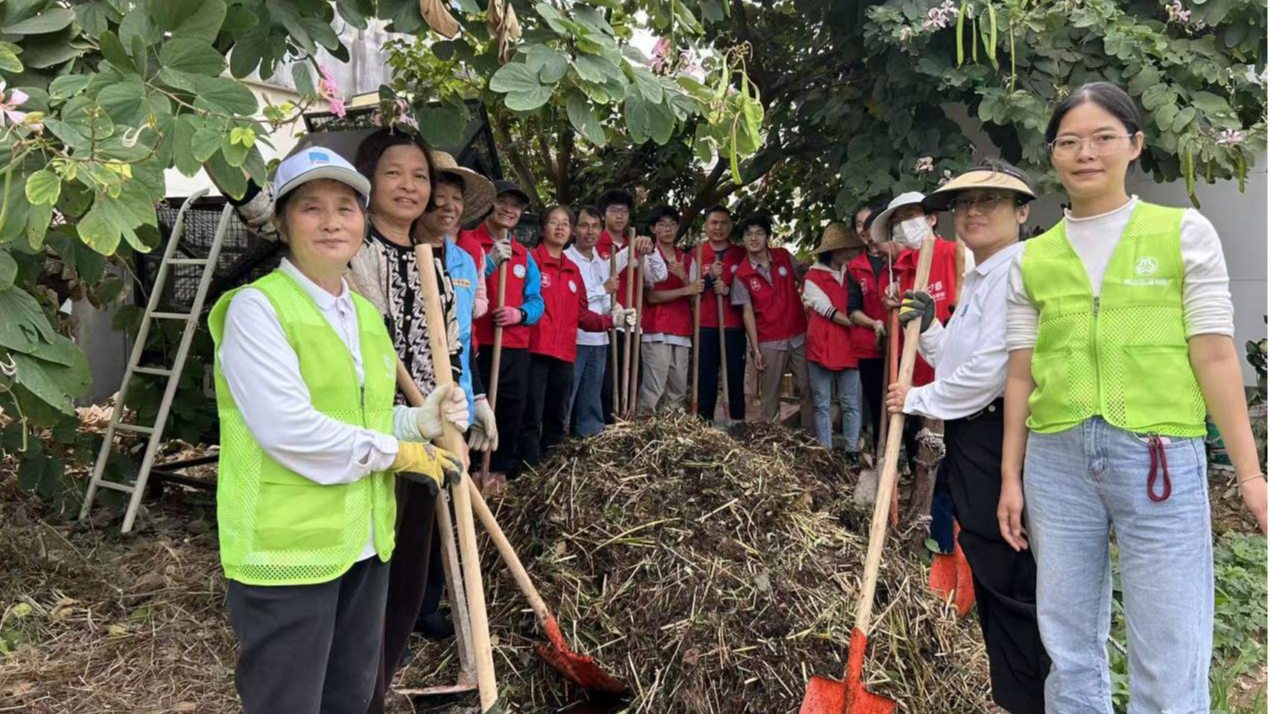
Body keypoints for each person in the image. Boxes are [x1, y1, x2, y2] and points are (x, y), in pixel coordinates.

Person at [997, 82, 1267, 713]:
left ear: (1134, 146)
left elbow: (1216, 355)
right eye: (1069, 141)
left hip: (1159, 458)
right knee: (1067, 645)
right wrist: (1011, 476)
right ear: (1053, 154)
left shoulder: (1183, 233)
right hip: (1056, 461)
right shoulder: (1029, 259)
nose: (1085, 153)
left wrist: (1251, 475)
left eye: (1102, 138)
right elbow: (1019, 373)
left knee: (1171, 650)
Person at [208, 150, 465, 714]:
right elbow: (289, 430)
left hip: (364, 546)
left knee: (350, 698)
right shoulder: (258, 310)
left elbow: (365, 417)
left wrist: (420, 422)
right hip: (288, 554)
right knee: (289, 703)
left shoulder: (363, 316)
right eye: (311, 208)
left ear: (362, 221)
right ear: (282, 222)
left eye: (346, 209)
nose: (331, 223)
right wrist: (398, 452)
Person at [885, 159, 1049, 714]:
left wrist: (917, 401)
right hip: (974, 435)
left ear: (1023, 212)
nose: (972, 212)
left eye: (989, 202)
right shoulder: (982, 274)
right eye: (963, 203)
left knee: (1011, 575)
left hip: (1003, 432)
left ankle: (1036, 696)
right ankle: (1017, 695)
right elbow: (958, 357)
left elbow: (992, 370)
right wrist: (929, 327)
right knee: (991, 566)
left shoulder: (1019, 269)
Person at [391, 151, 496, 663]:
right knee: (404, 507)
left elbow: (464, 341)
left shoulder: (465, 260)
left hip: (451, 400)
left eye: (458, 200)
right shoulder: (398, 250)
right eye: (442, 197)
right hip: (403, 401)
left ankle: (429, 604)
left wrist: (475, 399)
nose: (450, 206)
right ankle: (396, 617)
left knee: (442, 508)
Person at [869, 192, 963, 515]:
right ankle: (925, 524)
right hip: (916, 376)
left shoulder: (956, 255)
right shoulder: (901, 269)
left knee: (953, 460)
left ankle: (950, 528)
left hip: (954, 379)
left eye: (909, 216)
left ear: (931, 219)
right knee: (923, 457)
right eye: (896, 222)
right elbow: (903, 327)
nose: (902, 226)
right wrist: (892, 308)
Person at [521, 206, 636, 469]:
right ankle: (528, 468)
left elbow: (582, 315)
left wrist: (613, 319)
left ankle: (552, 468)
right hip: (536, 350)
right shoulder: (532, 262)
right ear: (542, 228)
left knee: (557, 413)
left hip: (564, 353)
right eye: (553, 222)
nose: (560, 227)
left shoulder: (572, 270)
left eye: (565, 223)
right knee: (532, 413)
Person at [458, 180, 544, 492]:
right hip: (478, 344)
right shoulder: (468, 242)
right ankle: (467, 470)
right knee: (474, 408)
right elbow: (462, 285)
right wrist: (490, 263)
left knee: (510, 408)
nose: (510, 210)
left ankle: (497, 471)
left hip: (514, 346)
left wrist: (518, 314)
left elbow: (536, 302)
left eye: (517, 205)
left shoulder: (525, 255)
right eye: (503, 202)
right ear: (489, 205)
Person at [731, 215, 813, 432]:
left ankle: (811, 439)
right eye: (748, 234)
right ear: (742, 240)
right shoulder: (742, 274)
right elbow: (747, 313)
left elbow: (806, 279)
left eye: (759, 233)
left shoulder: (783, 256)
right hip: (769, 340)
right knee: (770, 395)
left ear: (767, 236)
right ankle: (771, 444)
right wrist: (756, 349)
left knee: (807, 388)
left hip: (798, 334)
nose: (753, 238)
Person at [802, 223, 864, 463]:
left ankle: (851, 450)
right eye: (843, 249)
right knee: (822, 403)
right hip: (822, 344)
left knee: (851, 402)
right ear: (831, 252)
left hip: (849, 346)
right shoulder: (812, 277)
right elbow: (826, 310)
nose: (848, 253)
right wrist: (858, 324)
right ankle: (825, 452)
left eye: (850, 248)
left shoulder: (853, 274)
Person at [639, 205, 703, 414]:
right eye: (662, 225)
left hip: (682, 330)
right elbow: (652, 296)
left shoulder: (688, 260)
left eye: (672, 224)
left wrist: (684, 276)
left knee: (677, 393)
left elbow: (695, 297)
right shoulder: (648, 256)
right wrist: (686, 288)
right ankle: (641, 431)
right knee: (653, 390)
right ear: (653, 229)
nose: (668, 229)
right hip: (656, 329)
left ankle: (671, 437)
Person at [693, 205, 748, 422]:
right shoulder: (696, 253)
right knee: (705, 379)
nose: (719, 227)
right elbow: (689, 290)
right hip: (705, 325)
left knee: (734, 378)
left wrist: (729, 290)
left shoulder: (741, 254)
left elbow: (750, 289)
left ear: (731, 226)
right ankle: (703, 428)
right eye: (714, 223)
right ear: (706, 226)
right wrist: (708, 279)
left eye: (724, 223)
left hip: (733, 326)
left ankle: (737, 425)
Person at [847, 204, 892, 443]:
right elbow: (852, 311)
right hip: (869, 347)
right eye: (859, 224)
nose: (866, 229)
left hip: (900, 345)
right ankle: (880, 455)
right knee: (876, 405)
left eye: (870, 222)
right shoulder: (855, 268)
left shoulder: (897, 260)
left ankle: (908, 459)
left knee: (902, 403)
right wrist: (874, 323)